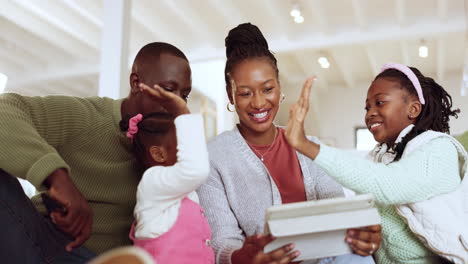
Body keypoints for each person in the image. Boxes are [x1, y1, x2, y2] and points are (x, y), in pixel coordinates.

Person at [197, 23, 381, 264]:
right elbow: (222, 241)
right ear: (230, 95)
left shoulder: (308, 147)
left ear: (279, 88)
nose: (259, 103)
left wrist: (360, 235)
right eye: (245, 93)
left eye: (267, 89)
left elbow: (336, 211)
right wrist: (244, 256)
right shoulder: (213, 157)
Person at [0, 42, 192, 263]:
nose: (176, 103)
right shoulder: (88, 117)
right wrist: (57, 177)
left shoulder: (174, 153)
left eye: (184, 96)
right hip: (40, 240)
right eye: (168, 89)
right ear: (136, 83)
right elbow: (5, 109)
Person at [284, 63, 464, 263]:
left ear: (413, 109)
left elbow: (388, 185)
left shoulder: (438, 150)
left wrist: (307, 146)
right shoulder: (380, 156)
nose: (370, 113)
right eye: (367, 107)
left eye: (380, 103)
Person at [120, 83, 213, 263]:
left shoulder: (187, 193)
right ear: (158, 154)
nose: (192, 148)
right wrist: (182, 112)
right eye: (185, 143)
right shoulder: (152, 183)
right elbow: (196, 169)